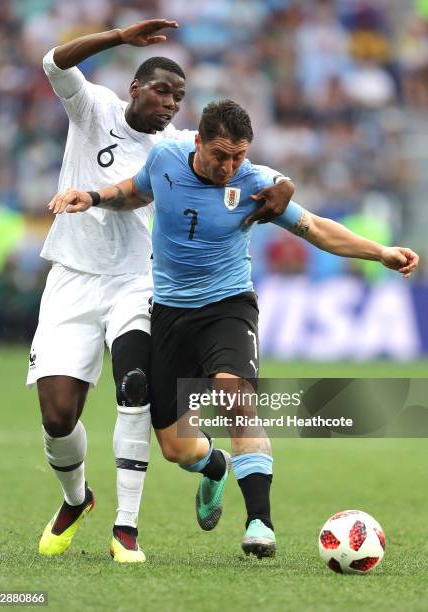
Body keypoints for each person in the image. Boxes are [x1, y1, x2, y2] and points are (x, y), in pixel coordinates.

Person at [49, 99, 419, 558]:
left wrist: (380, 252)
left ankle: (259, 522)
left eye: (239, 156)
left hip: (228, 307)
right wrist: (95, 196)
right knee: (175, 448)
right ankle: (214, 467)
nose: (229, 166)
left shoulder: (257, 185)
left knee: (235, 394)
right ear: (198, 142)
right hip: (169, 312)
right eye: (220, 155)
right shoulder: (165, 158)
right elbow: (137, 191)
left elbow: (315, 228)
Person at [31, 23, 294, 564]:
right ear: (134, 87)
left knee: (135, 387)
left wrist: (285, 185)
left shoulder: (178, 149)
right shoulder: (93, 109)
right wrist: (121, 35)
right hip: (72, 277)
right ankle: (77, 500)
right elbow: (54, 62)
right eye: (162, 92)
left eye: (179, 97)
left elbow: (251, 171)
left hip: (137, 282)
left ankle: (126, 530)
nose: (172, 104)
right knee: (58, 417)